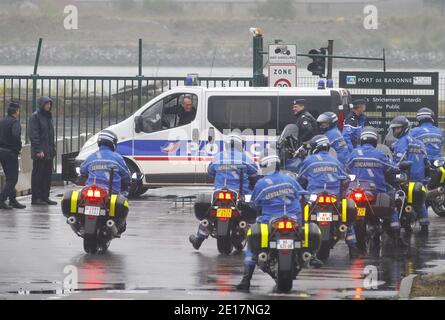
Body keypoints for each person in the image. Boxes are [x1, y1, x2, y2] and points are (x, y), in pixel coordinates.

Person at [236, 148, 322, 292]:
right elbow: (304, 196)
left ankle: (246, 280)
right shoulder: (290, 180)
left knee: (251, 246)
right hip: (294, 220)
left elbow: (254, 204)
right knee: (306, 232)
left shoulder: (261, 184)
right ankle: (311, 255)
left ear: (264, 166)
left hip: (269, 222)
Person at [189, 131, 258, 250]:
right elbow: (255, 171)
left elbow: (210, 172)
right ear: (240, 145)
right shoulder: (245, 158)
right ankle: (248, 235)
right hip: (240, 194)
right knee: (253, 205)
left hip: (219, 193)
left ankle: (198, 240)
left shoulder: (218, 156)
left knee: (209, 215)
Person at [297, 135, 360, 258]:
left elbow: (300, 179)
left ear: (316, 147)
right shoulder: (335, 161)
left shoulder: (309, 161)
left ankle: (301, 235)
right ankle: (352, 245)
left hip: (314, 197)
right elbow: (346, 179)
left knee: (299, 211)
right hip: (334, 198)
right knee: (346, 219)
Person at [346, 126, 407, 247]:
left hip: (356, 189)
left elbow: (346, 170)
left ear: (361, 139)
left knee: (347, 212)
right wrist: (399, 167)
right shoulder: (379, 154)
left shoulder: (353, 153)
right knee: (392, 203)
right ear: (375, 140)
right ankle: (396, 234)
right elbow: (392, 168)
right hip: (376, 190)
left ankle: (351, 240)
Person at [80, 130, 131, 233]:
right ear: (113, 143)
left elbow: (82, 170)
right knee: (124, 199)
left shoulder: (92, 156)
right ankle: (119, 225)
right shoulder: (117, 157)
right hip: (111, 192)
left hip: (90, 190)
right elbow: (127, 175)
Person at [389, 116, 430, 235]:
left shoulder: (401, 143)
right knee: (420, 203)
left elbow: (398, 162)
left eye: (397, 129)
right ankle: (424, 227)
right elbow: (426, 163)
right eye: (394, 129)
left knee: (393, 198)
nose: (395, 131)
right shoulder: (419, 143)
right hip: (420, 180)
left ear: (404, 128)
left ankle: (396, 226)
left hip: (405, 178)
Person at [29, 96, 57, 205]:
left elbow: (50, 135)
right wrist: (38, 150)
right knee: (38, 175)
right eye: (46, 104)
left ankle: (45, 196)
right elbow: (34, 135)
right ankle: (36, 198)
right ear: (41, 105)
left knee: (47, 175)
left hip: (48, 151)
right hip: (40, 152)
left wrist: (52, 149)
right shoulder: (35, 117)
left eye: (49, 104)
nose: (48, 106)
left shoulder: (48, 117)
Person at [0, 102, 26, 209]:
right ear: (16, 112)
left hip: (1, 151)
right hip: (10, 153)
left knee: (9, 177)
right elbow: (16, 136)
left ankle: (13, 199)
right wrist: (17, 149)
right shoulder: (15, 122)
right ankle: (2, 200)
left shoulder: (1, 121)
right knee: (13, 179)